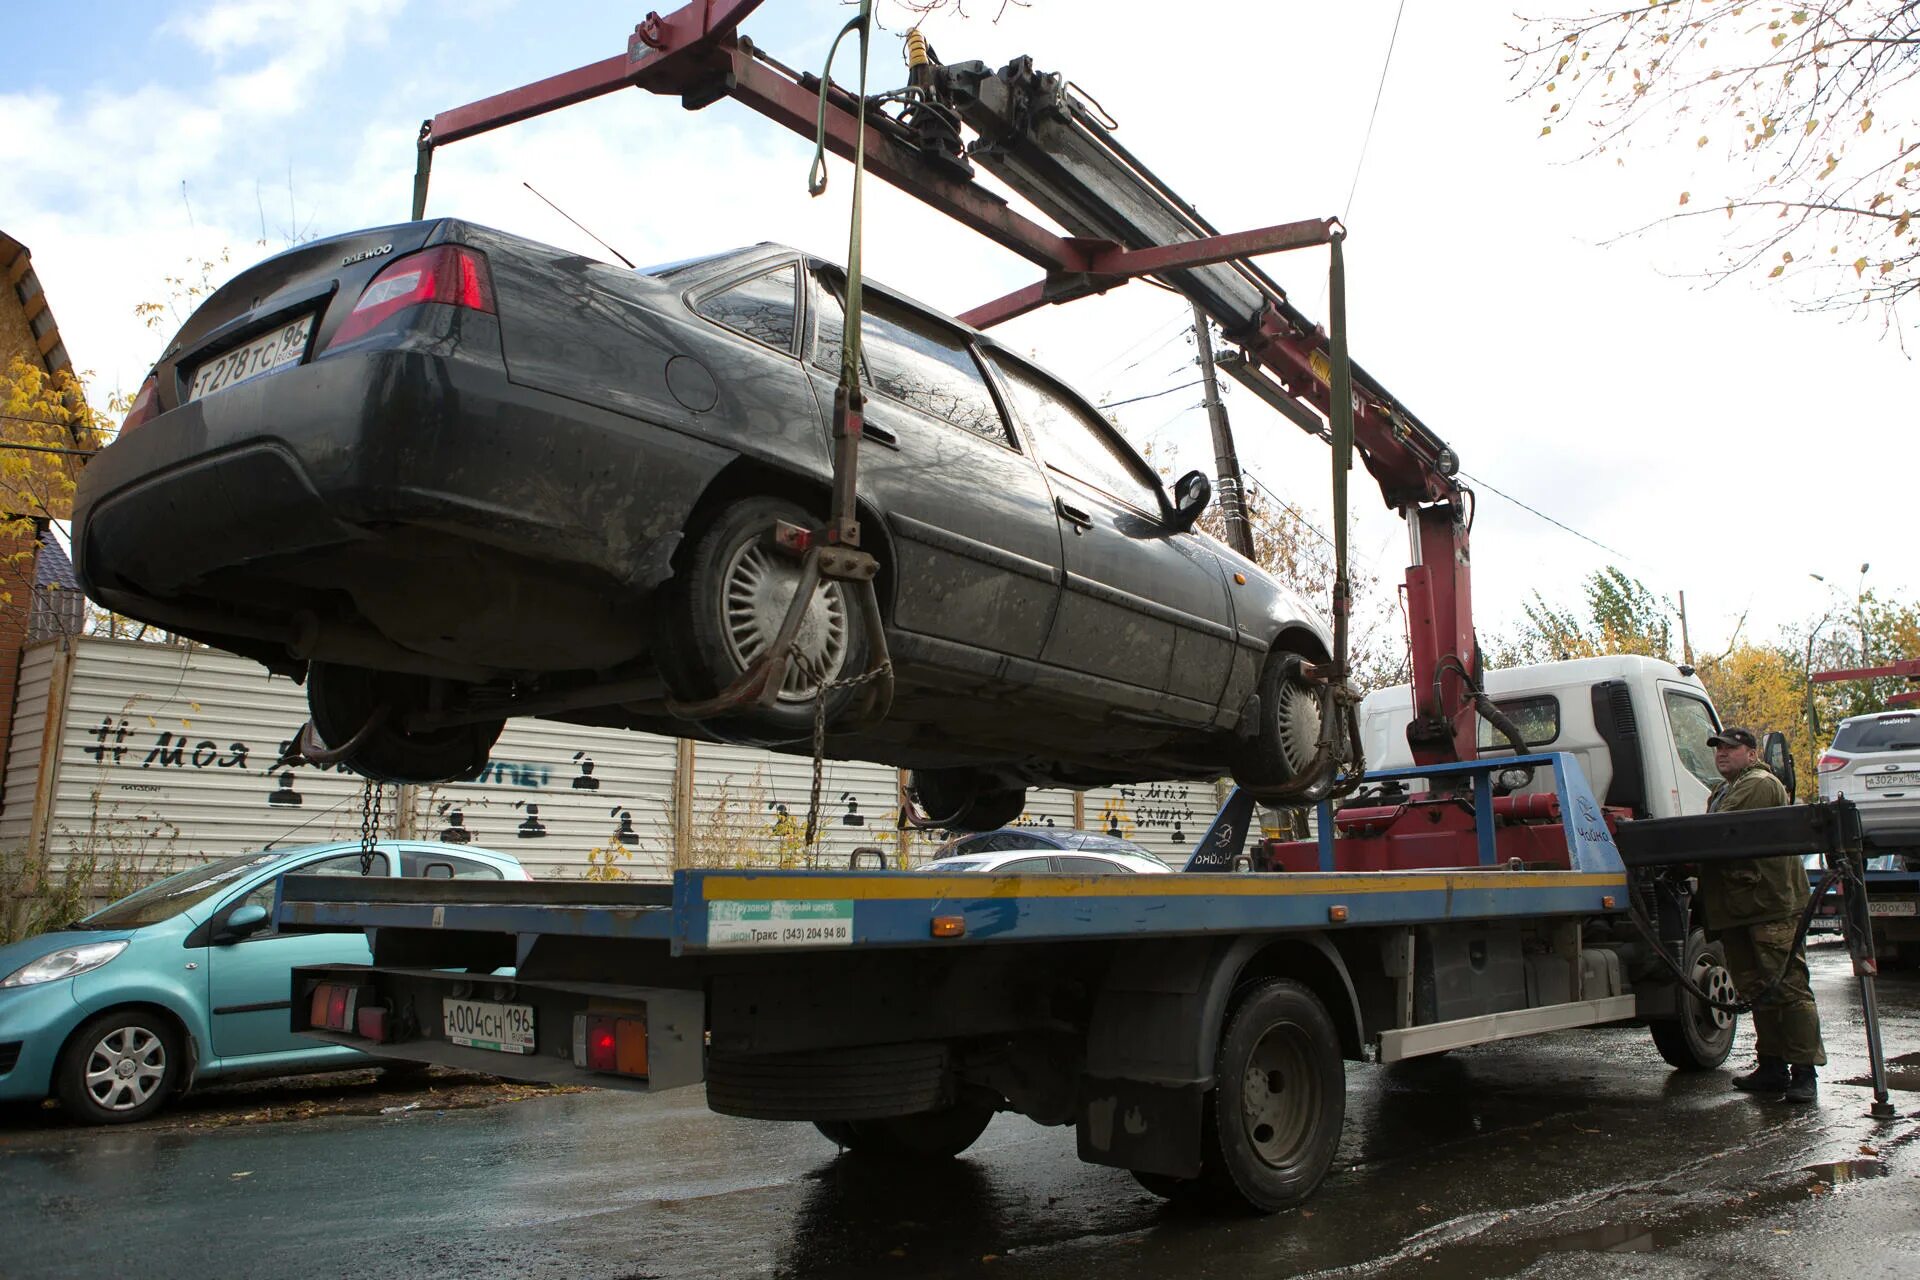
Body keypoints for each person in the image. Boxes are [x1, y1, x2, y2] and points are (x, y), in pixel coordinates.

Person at [1695, 726, 1825, 1103]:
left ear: (1751, 753)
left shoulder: (1759, 783)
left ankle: (1804, 1071)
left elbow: (1715, 833)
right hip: (1739, 906)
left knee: (1787, 986)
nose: (1721, 754)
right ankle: (1772, 1066)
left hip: (1769, 904)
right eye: (1718, 748)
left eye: (1730, 748)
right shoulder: (1723, 790)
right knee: (1757, 989)